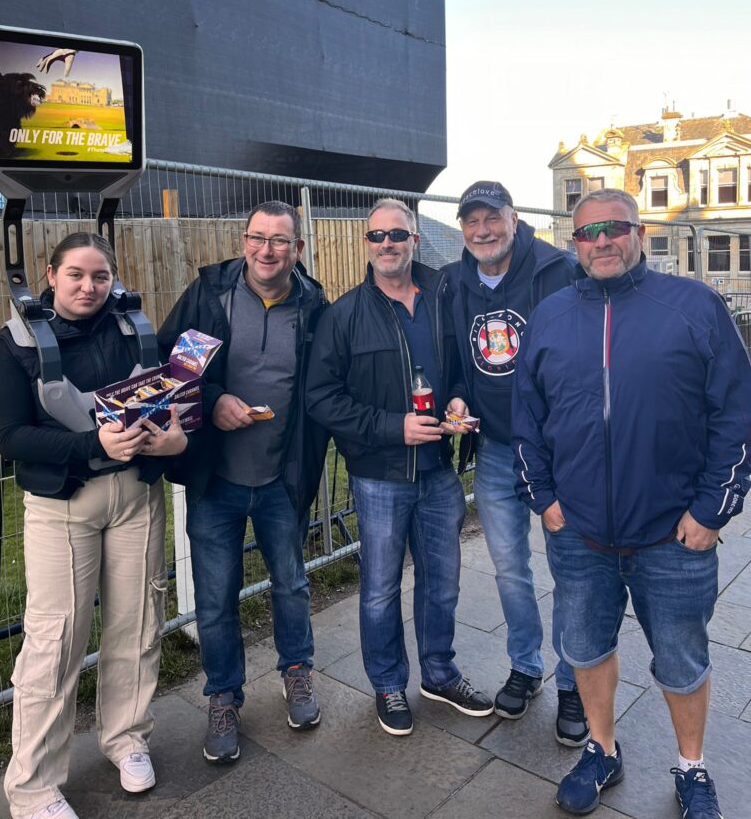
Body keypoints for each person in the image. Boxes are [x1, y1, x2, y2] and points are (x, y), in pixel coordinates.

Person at [512, 189, 751, 818]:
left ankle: (692, 767)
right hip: (579, 534)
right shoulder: (552, 316)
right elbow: (526, 419)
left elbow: (736, 413)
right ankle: (602, 749)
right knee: (586, 649)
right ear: (573, 244)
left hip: (673, 535)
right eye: (587, 233)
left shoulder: (693, 306)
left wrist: (712, 511)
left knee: (681, 659)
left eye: (614, 228)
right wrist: (545, 501)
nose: (601, 242)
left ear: (639, 232)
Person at [0, 232, 186, 819]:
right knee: (55, 641)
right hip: (63, 503)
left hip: (136, 495)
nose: (88, 286)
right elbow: (12, 438)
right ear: (50, 275)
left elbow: (167, 403)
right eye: (75, 274)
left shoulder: (132, 331)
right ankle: (33, 785)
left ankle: (126, 738)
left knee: (138, 624)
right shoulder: (14, 345)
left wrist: (176, 437)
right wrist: (91, 444)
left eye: (100, 276)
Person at [306, 198, 494, 736]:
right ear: (366, 244)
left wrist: (457, 398)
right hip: (379, 475)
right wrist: (394, 427)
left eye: (397, 234)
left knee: (442, 583)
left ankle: (439, 673)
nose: (386, 244)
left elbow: (463, 367)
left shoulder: (443, 297)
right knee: (381, 589)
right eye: (377, 236)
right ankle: (388, 682)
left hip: (438, 470)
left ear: (414, 239)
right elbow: (321, 398)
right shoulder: (344, 315)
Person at [157, 200, 329, 763]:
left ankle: (297, 672)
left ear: (296, 249)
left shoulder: (314, 307)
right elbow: (172, 369)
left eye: (279, 240)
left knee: (292, 586)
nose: (266, 250)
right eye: (258, 238)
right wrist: (212, 400)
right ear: (243, 240)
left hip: (282, 476)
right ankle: (224, 696)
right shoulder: (210, 295)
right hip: (217, 479)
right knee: (214, 600)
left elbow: (328, 384)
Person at [443, 180, 587, 746]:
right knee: (509, 567)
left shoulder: (559, 270)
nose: (482, 231)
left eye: (492, 218)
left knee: (571, 569)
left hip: (559, 453)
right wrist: (458, 396)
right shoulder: (455, 281)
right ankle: (525, 665)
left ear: (513, 217)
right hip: (497, 449)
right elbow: (457, 360)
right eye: (471, 221)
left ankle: (575, 680)